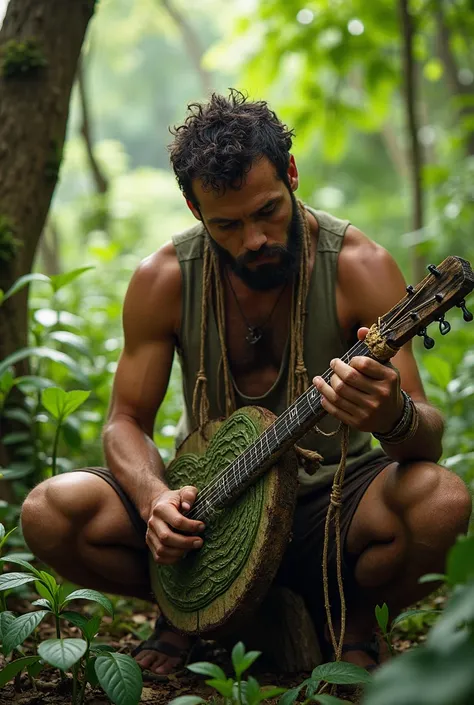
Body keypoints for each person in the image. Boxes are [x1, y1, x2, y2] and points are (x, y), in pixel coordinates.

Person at [21, 90, 471, 677]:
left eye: (267, 212)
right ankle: (188, 608)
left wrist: (393, 415)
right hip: (208, 511)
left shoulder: (359, 265)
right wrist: (156, 500)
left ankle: (350, 619)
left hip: (330, 512)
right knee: (51, 511)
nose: (253, 238)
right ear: (193, 208)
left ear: (290, 174)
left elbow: (426, 436)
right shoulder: (164, 279)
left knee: (441, 502)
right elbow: (125, 421)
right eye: (227, 225)